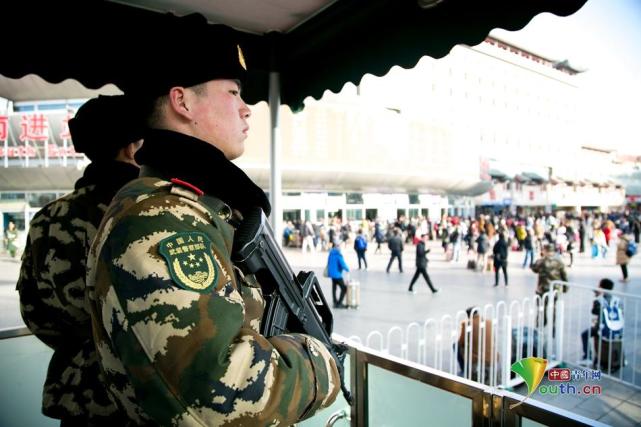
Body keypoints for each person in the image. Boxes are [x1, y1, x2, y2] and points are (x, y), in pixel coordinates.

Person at [85, 22, 339, 425]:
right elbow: (220, 393)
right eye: (234, 93)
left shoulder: (193, 203)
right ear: (182, 102)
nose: (246, 107)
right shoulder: (163, 217)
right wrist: (321, 363)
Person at [16, 95, 144, 425]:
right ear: (132, 148)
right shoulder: (154, 212)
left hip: (77, 395)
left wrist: (82, 349)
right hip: (146, 394)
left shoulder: (48, 219)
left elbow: (34, 311)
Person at [579, 278, 624, 366]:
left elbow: (594, 311)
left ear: (601, 287)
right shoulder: (618, 300)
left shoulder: (600, 300)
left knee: (585, 334)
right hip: (617, 329)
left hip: (603, 329)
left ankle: (587, 357)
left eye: (599, 285)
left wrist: (596, 297)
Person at [531, 242, 568, 328]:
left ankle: (541, 324)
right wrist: (565, 288)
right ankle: (554, 325)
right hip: (555, 289)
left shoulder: (541, 261)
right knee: (554, 307)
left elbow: (534, 269)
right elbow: (564, 275)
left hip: (542, 289)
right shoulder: (559, 262)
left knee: (541, 307)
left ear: (545, 250)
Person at [456, 307, 495, 383]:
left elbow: (460, 342)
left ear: (468, 315)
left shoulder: (466, 324)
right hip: (491, 354)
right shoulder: (489, 322)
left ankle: (465, 369)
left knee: (455, 346)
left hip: (477, 357)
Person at [327, 242, 350, 308]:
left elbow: (328, 263)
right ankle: (339, 303)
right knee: (344, 288)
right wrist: (347, 269)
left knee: (334, 288)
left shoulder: (331, 253)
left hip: (332, 274)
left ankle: (335, 302)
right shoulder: (338, 255)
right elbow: (343, 264)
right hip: (337, 275)